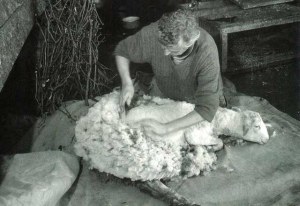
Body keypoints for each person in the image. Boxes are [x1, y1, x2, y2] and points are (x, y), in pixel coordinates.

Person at [114, 8, 225, 138]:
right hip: (165, 90)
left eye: (172, 49)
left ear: (191, 41)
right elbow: (122, 50)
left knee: (203, 133)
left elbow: (207, 108)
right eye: (163, 46)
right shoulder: (153, 32)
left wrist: (166, 128)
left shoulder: (206, 52)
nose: (165, 53)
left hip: (197, 101)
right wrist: (127, 83)